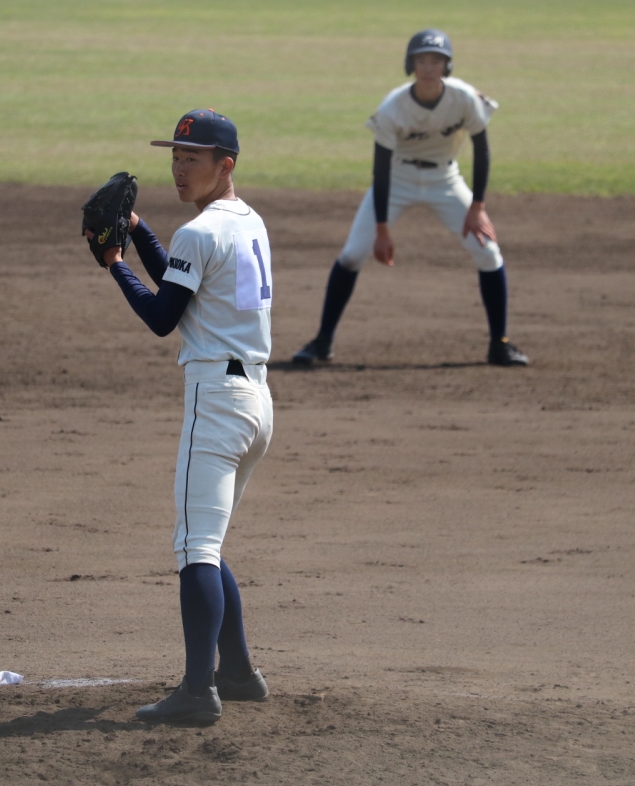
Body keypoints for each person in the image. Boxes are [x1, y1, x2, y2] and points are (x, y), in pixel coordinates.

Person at [86, 110, 274, 725]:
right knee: (208, 542)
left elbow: (164, 314)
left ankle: (198, 692)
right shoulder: (247, 221)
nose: (179, 168)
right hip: (256, 406)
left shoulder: (200, 232)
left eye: (192, 158)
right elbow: (183, 280)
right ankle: (239, 673)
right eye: (175, 156)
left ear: (227, 164)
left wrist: (115, 262)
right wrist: (139, 230)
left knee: (194, 546)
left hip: (216, 405)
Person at [293, 29, 528, 367]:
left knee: (488, 252)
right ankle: (323, 341)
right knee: (352, 255)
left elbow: (483, 152)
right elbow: (381, 169)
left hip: (446, 179)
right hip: (398, 179)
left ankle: (500, 344)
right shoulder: (393, 107)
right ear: (411, 64)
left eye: (436, 60)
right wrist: (382, 229)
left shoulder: (465, 98)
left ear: (447, 65)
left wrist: (477, 207)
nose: (429, 67)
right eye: (422, 60)